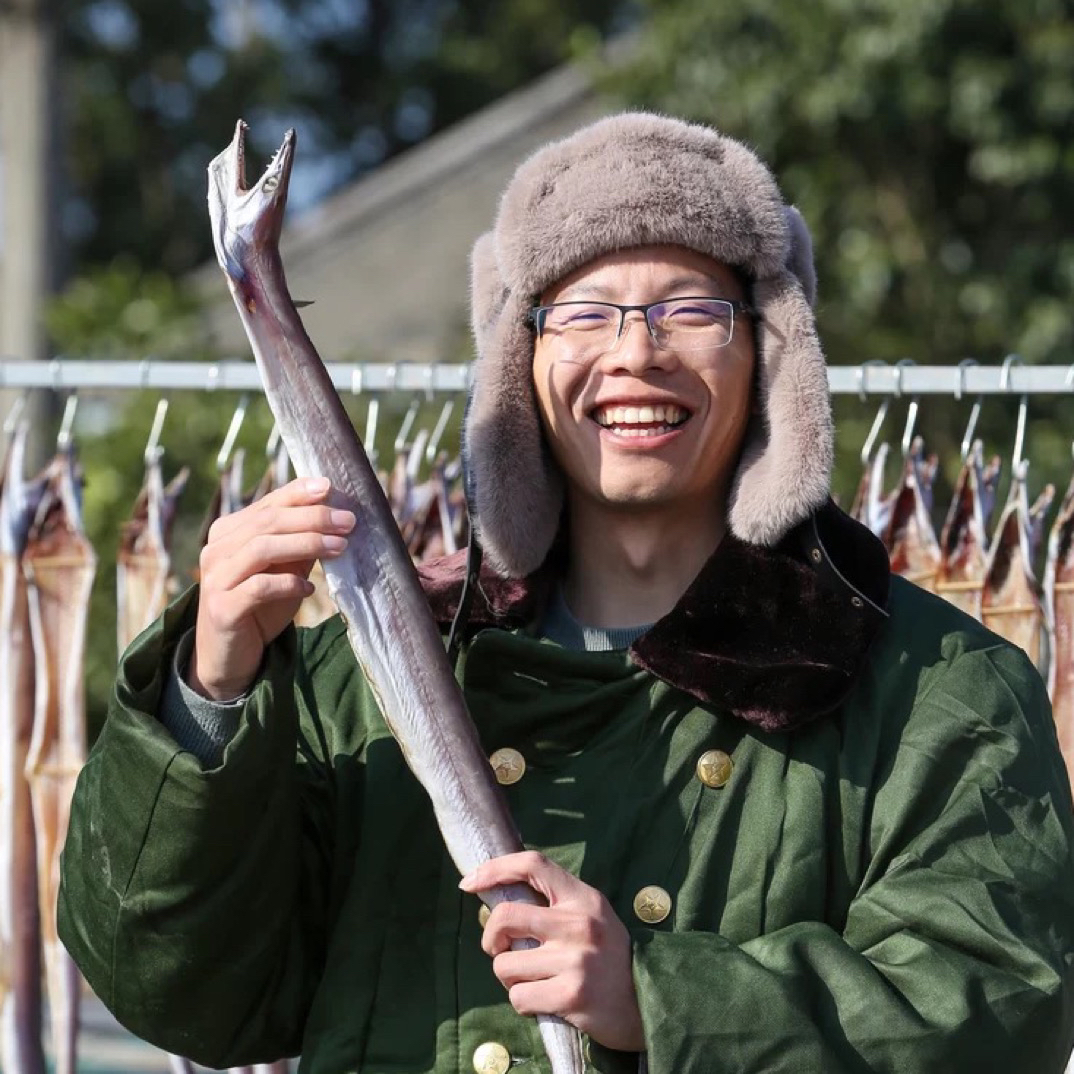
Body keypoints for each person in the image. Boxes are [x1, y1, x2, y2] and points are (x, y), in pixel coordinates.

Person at [59, 113, 1074, 1073]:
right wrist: (213, 686)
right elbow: (183, 990)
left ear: (769, 351)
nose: (636, 352)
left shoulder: (933, 689)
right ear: (520, 360)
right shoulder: (356, 682)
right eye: (584, 312)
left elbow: (1000, 1008)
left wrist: (659, 999)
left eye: (692, 309)